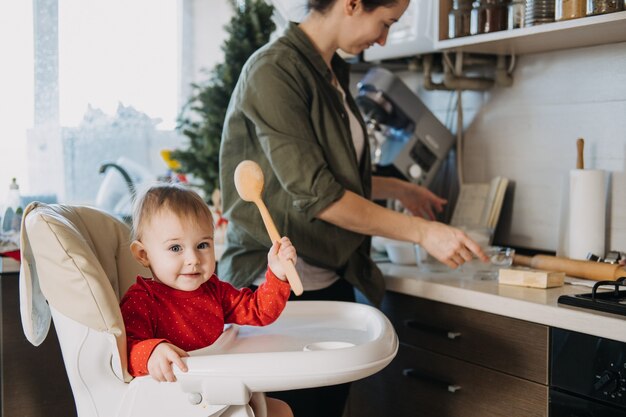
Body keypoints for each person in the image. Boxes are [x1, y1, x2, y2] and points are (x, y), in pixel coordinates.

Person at [218, 0, 488, 415]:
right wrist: (421, 232)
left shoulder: (332, 71)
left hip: (327, 277)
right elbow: (318, 194)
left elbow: (324, 177)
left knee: (326, 408)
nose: (383, 38)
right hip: (272, 286)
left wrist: (397, 187)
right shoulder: (274, 70)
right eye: (385, 23)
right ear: (352, 4)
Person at [120, 183, 296, 417]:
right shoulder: (142, 300)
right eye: (175, 248)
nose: (193, 259)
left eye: (202, 245)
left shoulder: (214, 290)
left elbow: (258, 311)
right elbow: (125, 351)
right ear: (143, 255)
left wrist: (277, 272)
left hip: (220, 390)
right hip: (177, 402)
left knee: (282, 411)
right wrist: (152, 352)